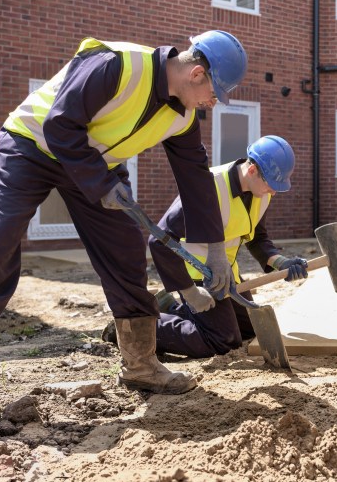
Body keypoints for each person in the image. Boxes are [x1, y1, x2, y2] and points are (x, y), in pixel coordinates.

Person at [0, 31, 248, 427]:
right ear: (197, 73)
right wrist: (101, 186)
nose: (212, 104)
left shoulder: (183, 116)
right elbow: (60, 125)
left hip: (96, 164)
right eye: (215, 94)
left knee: (126, 254)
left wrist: (217, 249)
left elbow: (196, 179)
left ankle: (141, 364)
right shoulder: (116, 64)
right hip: (32, 146)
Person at [102, 135, 308, 358]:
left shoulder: (261, 193)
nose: (274, 192)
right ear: (252, 171)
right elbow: (159, 242)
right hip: (196, 275)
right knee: (222, 340)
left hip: (226, 274)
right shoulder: (208, 186)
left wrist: (281, 262)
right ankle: (133, 326)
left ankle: (173, 309)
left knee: (250, 329)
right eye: (271, 184)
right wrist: (189, 292)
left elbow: (258, 239)